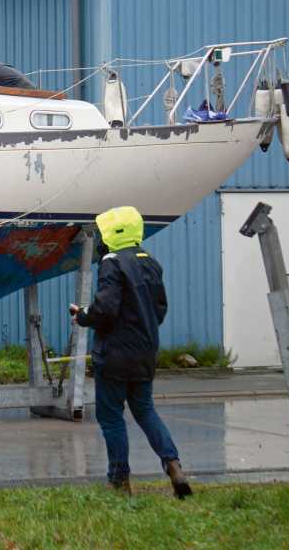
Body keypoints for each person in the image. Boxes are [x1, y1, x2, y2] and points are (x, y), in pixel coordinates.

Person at [69, 206, 193, 498]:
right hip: (145, 352)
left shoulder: (112, 262)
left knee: (111, 417)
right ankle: (173, 464)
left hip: (114, 354)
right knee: (145, 411)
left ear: (113, 233)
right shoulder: (150, 262)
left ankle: (119, 480)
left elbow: (106, 308)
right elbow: (159, 309)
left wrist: (83, 315)